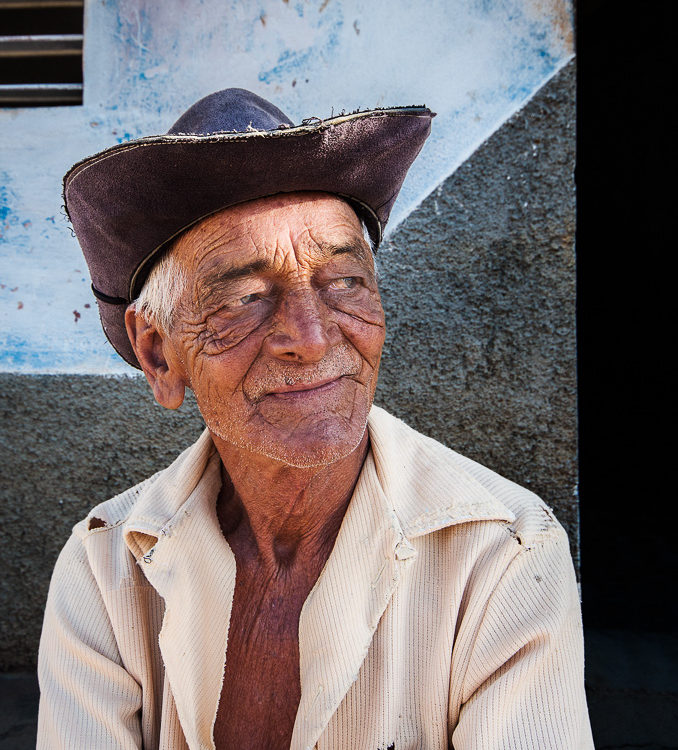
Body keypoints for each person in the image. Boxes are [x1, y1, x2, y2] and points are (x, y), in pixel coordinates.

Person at [38, 88, 593, 749]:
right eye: (244, 297)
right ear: (159, 354)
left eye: (345, 283)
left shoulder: (504, 555)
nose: (311, 336)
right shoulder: (104, 568)